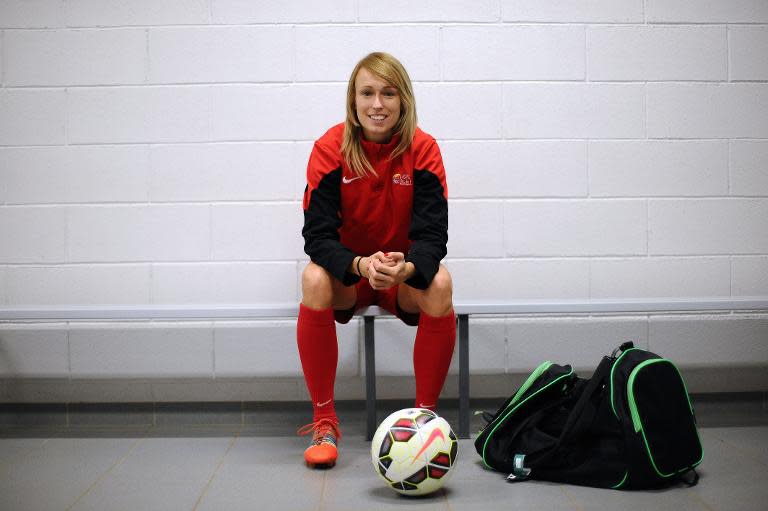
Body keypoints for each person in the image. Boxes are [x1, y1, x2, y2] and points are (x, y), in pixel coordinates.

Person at [297, 52, 455, 468]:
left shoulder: (423, 149)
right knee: (313, 277)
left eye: (388, 93)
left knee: (440, 282)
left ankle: (426, 421)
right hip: (351, 275)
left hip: (400, 278)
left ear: (403, 100)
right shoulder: (330, 148)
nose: (377, 104)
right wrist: (360, 265)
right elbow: (317, 236)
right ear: (353, 101)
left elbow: (432, 235)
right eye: (367, 93)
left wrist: (406, 268)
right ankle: (324, 422)